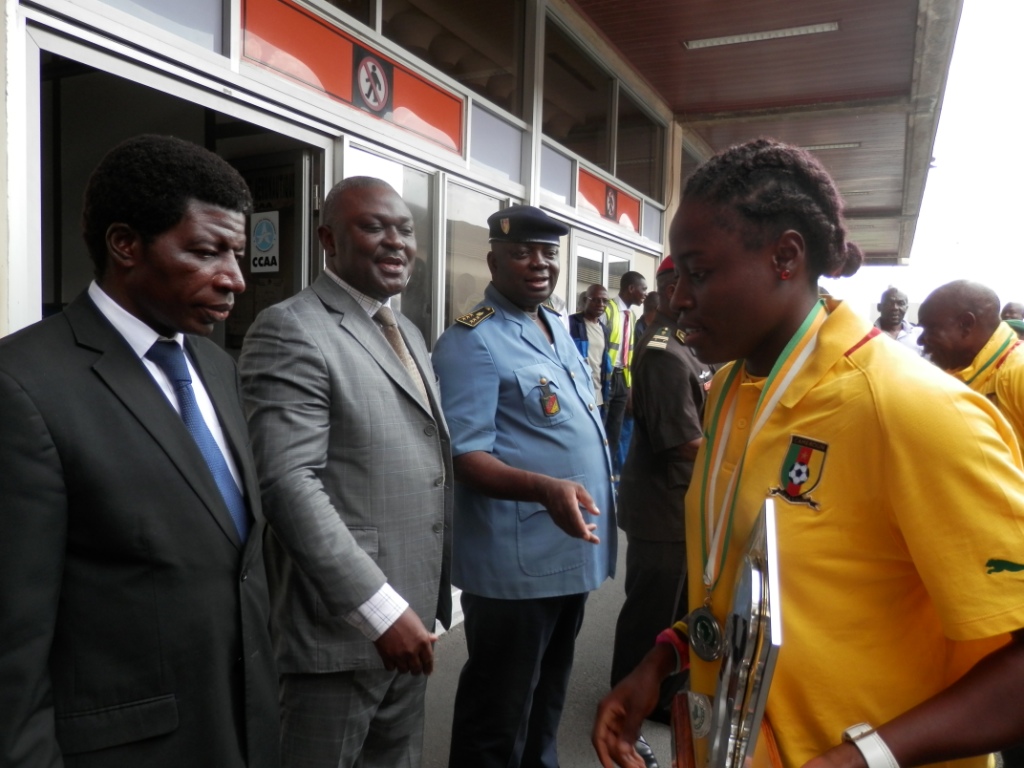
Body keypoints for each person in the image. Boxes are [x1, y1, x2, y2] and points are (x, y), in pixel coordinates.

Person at [593, 138, 1024, 768]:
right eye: (676, 275)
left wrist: (858, 759)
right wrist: (665, 657)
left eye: (698, 272)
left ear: (786, 257)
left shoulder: (913, 409)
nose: (678, 297)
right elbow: (752, 583)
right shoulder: (732, 391)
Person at [0, 135, 279, 767]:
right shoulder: (22, 388)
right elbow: (13, 646)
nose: (235, 279)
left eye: (236, 253)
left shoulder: (217, 368)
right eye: (206, 252)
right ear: (125, 244)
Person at [239, 176, 453, 768]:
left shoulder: (408, 332)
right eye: (374, 227)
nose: (396, 242)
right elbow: (288, 484)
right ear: (328, 239)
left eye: (405, 229)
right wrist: (379, 611)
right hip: (340, 630)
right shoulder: (290, 328)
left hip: (412, 622)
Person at [432, 204, 617, 768]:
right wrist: (543, 488)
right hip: (516, 564)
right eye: (521, 252)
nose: (539, 263)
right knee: (499, 712)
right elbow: (464, 456)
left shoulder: (556, 326)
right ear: (493, 261)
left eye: (548, 253)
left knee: (547, 697)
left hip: (567, 549)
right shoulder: (472, 340)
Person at [610, 256, 713, 768]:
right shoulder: (665, 352)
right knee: (651, 610)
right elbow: (682, 440)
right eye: (692, 281)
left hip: (679, 501)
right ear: (671, 287)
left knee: (678, 605)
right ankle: (628, 697)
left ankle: (662, 693)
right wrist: (740, 451)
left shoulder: (687, 344)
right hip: (663, 506)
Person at [918, 280, 1024, 446]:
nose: (920, 340)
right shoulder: (954, 370)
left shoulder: (1018, 370)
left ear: (966, 324)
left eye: (931, 329)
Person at [605, 271, 647, 478]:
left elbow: (629, 354)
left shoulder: (632, 316)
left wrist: (629, 386)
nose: (645, 294)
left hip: (622, 378)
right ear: (631, 288)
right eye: (643, 289)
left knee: (615, 430)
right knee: (602, 427)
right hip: (606, 378)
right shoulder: (608, 309)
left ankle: (611, 477)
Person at [570, 283, 612, 408]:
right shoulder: (571, 324)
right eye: (595, 300)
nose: (601, 304)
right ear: (585, 300)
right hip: (577, 394)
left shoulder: (604, 330)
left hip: (597, 395)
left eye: (604, 301)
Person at [874, 286, 923, 354]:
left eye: (901, 303)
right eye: (889, 303)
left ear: (906, 308)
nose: (895, 308)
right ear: (879, 307)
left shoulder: (919, 334)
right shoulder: (866, 334)